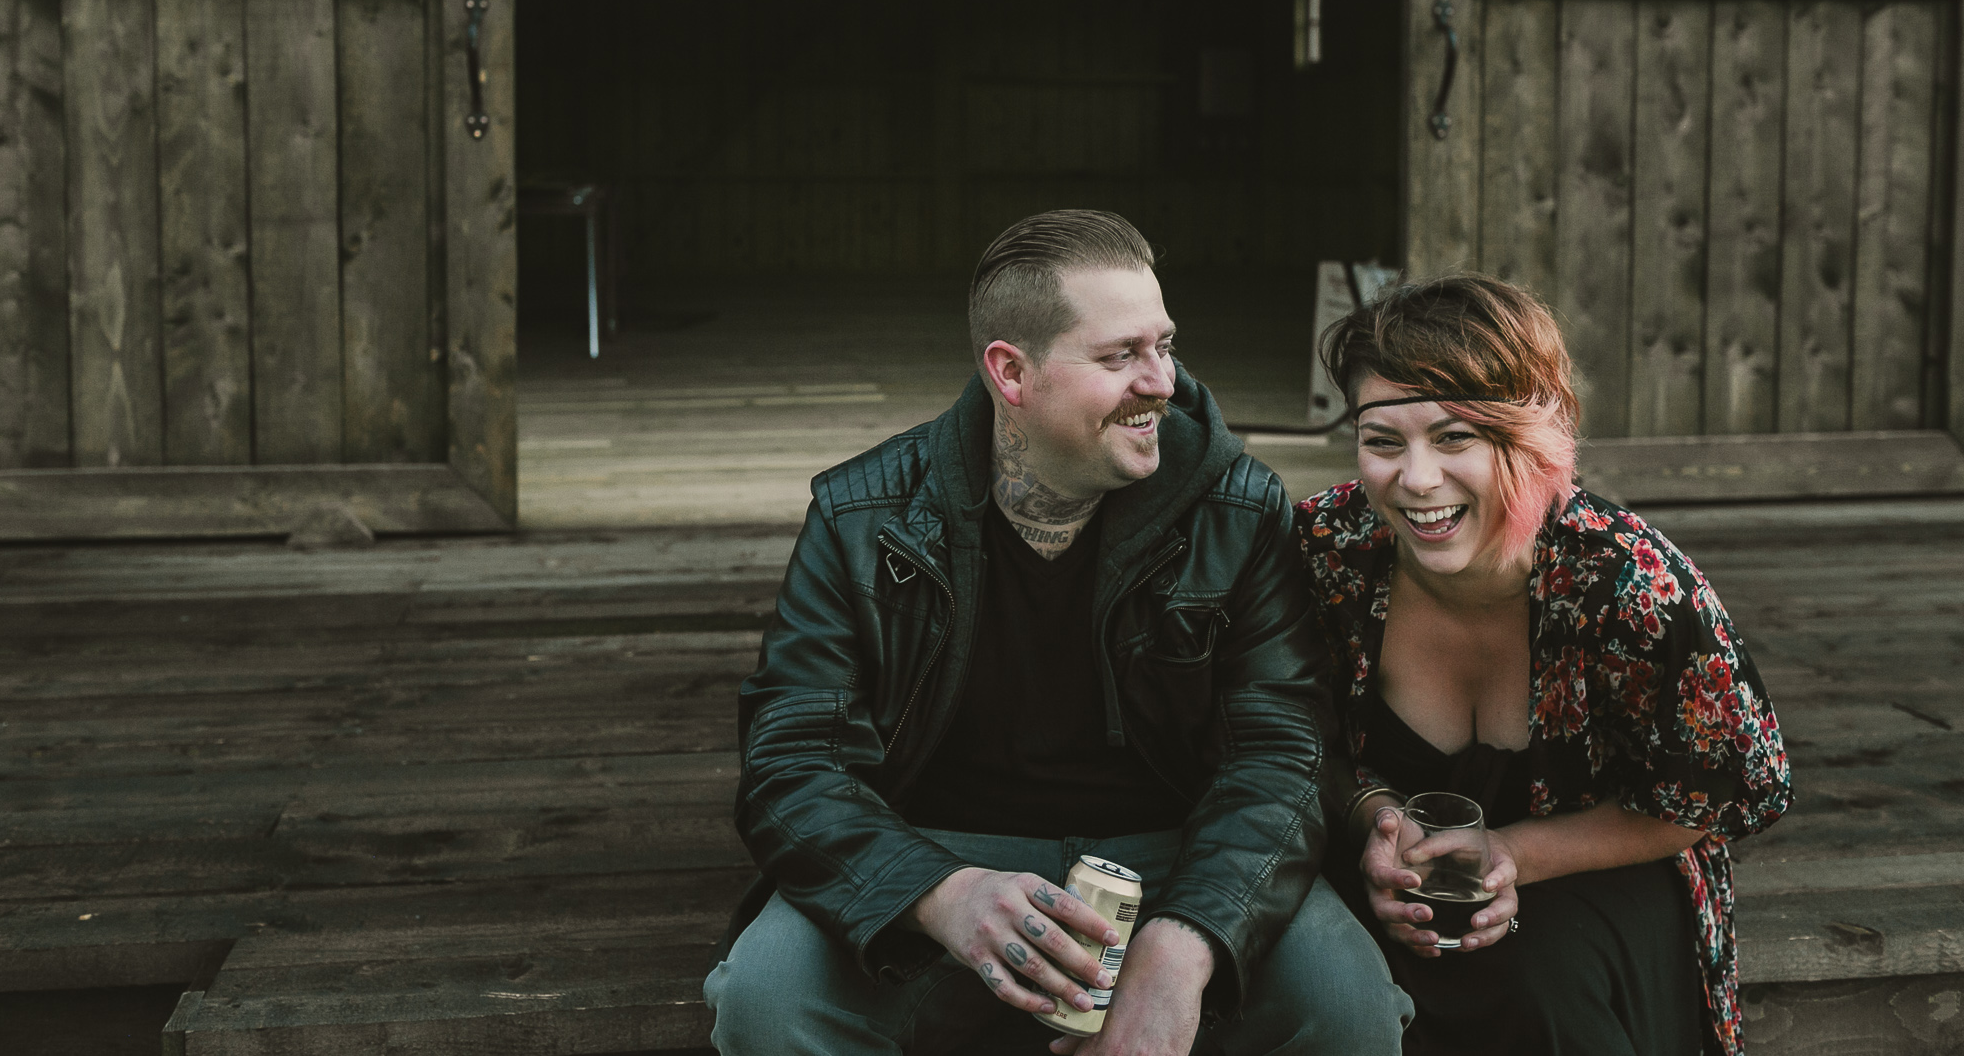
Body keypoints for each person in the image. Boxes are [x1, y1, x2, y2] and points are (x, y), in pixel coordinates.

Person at [706, 210, 1410, 1056]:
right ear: (1011, 371)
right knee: (766, 1000)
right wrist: (939, 892)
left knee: (1344, 1002)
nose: (1163, 381)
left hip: (1183, 851)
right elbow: (791, 761)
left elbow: (1284, 750)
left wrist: (1185, 941)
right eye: (1120, 356)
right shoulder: (864, 517)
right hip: (934, 852)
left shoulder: (1238, 506)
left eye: (1165, 344)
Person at [1294, 274, 1793, 1056]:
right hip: (1399, 879)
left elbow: (1721, 788)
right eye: (1383, 440)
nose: (1416, 479)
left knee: (1542, 988)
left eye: (1456, 436)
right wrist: (1376, 824)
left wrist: (1516, 852)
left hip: (1595, 872)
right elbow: (1289, 731)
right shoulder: (1327, 551)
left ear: (1532, 434)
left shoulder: (1633, 584)